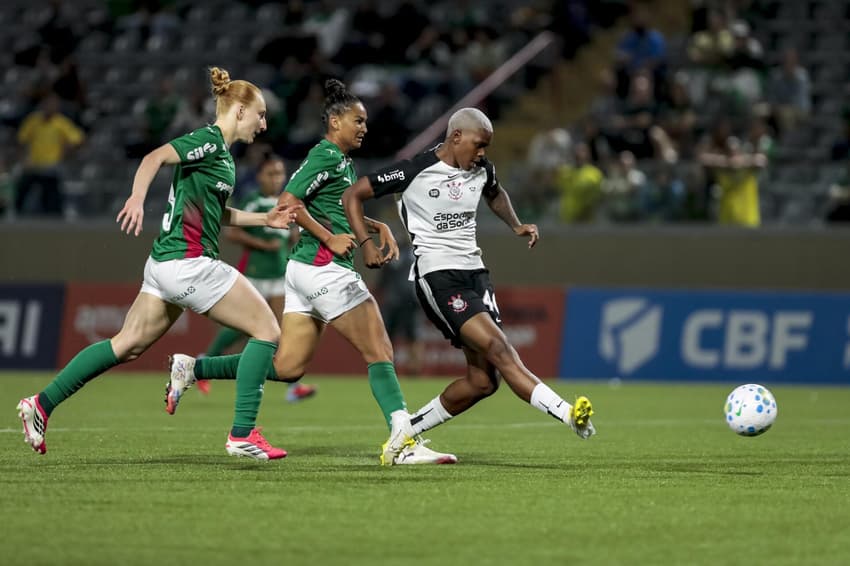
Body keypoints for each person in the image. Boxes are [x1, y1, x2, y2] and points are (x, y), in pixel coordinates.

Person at [165, 79, 456, 466]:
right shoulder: (325, 155)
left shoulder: (341, 162)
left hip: (303, 270)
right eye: (358, 120)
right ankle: (402, 441)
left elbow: (332, 210)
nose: (364, 128)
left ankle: (193, 367)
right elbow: (289, 202)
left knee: (288, 367)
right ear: (335, 121)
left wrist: (372, 226)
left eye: (365, 121)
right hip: (324, 268)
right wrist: (330, 239)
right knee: (380, 350)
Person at [16, 67, 300, 460]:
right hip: (189, 263)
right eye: (260, 114)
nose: (264, 123)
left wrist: (264, 219)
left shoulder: (223, 158)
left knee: (126, 344)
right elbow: (154, 157)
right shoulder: (209, 142)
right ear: (238, 110)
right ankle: (242, 434)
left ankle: (41, 404)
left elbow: (218, 214)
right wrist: (136, 198)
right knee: (267, 331)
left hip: (164, 265)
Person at [342, 107, 596, 458]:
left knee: (483, 382)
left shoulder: (482, 169)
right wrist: (366, 243)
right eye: (478, 145)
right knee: (500, 348)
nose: (482, 154)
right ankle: (569, 414)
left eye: (486, 148)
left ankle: (405, 434)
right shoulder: (415, 169)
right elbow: (352, 194)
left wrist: (516, 224)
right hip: (437, 276)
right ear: (456, 136)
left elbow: (495, 192)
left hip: (476, 274)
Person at [198, 152, 317, 403]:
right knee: (244, 329)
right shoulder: (254, 202)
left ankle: (292, 386)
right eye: (270, 173)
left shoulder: (286, 203)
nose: (276, 179)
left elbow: (290, 235)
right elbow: (232, 234)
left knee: (283, 329)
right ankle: (205, 361)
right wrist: (262, 245)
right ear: (260, 176)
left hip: (278, 275)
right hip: (255, 274)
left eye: (280, 173)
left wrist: (294, 239)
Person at [15, 93, 85, 215]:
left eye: (53, 105)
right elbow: (22, 140)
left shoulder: (61, 123)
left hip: (51, 167)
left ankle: (53, 220)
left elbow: (77, 140)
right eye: (47, 104)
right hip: (34, 165)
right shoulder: (33, 121)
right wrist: (24, 158)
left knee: (52, 199)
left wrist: (66, 152)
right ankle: (16, 215)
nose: (50, 107)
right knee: (21, 192)